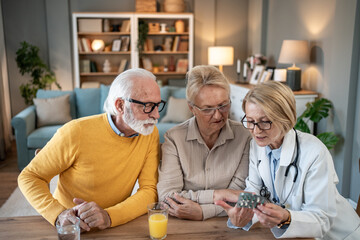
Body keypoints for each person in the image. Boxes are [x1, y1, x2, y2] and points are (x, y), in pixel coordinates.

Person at [18, 68, 165, 231]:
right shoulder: (75, 132)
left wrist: (109, 217)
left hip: (113, 227)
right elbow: (29, 176)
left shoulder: (149, 133)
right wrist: (60, 215)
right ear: (120, 105)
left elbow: (149, 190)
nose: (156, 115)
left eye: (158, 105)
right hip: (72, 228)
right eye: (148, 106)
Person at [216, 81, 360, 239]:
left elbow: (322, 220)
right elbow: (254, 191)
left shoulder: (314, 152)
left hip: (337, 235)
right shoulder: (257, 146)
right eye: (250, 121)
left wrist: (286, 217)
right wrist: (242, 212)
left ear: (285, 118)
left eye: (265, 122)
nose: (256, 131)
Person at [157, 65, 251, 221]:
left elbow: (239, 196)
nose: (217, 115)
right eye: (208, 109)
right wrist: (218, 194)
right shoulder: (174, 138)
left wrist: (202, 212)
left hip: (229, 223)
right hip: (182, 223)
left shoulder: (245, 136)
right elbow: (167, 197)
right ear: (192, 108)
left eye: (223, 105)